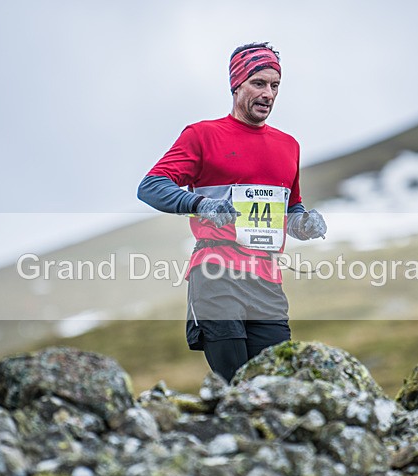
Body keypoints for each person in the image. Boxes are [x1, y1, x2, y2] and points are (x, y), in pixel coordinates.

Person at [137, 42, 326, 382]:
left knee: (275, 383)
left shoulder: (289, 146)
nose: (268, 93)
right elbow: (150, 186)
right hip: (216, 274)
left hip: (267, 281)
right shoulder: (203, 135)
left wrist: (304, 223)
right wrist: (200, 204)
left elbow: (291, 207)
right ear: (236, 85)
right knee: (236, 382)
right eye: (258, 83)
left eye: (274, 85)